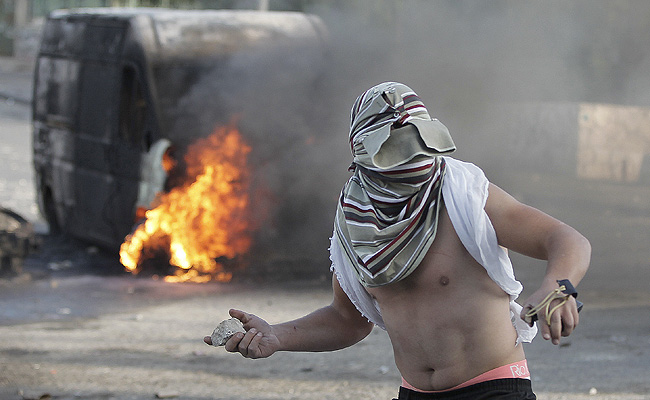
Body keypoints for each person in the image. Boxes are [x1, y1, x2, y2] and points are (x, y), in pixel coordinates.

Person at [203, 82, 591, 399]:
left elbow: (565, 238)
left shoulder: (465, 194)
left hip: (494, 389)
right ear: (362, 154)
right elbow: (346, 319)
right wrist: (277, 336)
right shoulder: (356, 223)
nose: (410, 163)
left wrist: (558, 287)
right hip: (414, 394)